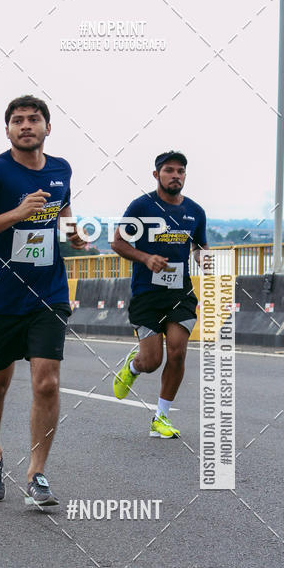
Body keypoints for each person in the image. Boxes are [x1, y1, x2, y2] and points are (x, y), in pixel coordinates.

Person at [0, 96, 85, 505]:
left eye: (34, 119)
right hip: (1, 296)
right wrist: (16, 214)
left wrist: (72, 230)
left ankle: (37, 473)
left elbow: (62, 205)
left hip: (48, 293)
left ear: (48, 128)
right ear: (8, 130)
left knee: (47, 381)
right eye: (18, 121)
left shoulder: (60, 168)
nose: (26, 126)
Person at [111, 151, 208, 438]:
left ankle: (160, 418)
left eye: (180, 171)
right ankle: (134, 365)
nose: (175, 175)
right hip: (147, 294)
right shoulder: (142, 207)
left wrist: (208, 261)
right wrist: (145, 258)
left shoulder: (195, 211)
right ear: (157, 175)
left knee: (177, 352)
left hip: (180, 292)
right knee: (152, 361)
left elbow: (199, 248)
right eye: (169, 170)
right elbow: (118, 243)